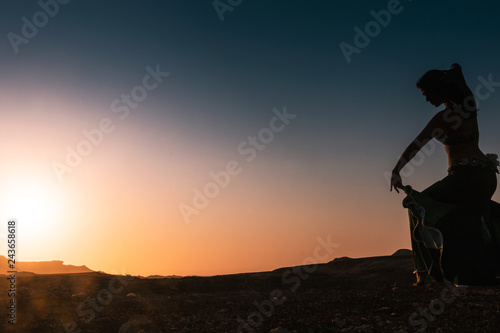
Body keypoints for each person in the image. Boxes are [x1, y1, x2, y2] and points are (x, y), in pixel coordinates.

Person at [390, 63, 500, 286]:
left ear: (441, 89)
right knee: (468, 218)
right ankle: (478, 268)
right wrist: (447, 75)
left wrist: (396, 170)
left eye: (428, 93)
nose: (427, 99)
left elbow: (415, 145)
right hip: (487, 176)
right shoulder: (469, 104)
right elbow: (458, 68)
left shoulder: (442, 119)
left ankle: (424, 274)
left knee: (416, 206)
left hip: (464, 178)